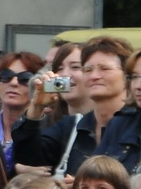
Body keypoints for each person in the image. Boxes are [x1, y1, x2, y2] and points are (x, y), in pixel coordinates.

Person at [13, 36, 141, 178]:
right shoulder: (72, 125)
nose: (94, 76)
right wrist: (36, 108)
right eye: (87, 69)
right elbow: (29, 159)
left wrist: (83, 186)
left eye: (104, 68)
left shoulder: (134, 124)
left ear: (127, 75)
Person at [0, 51, 44, 172]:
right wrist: (15, 169)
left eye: (25, 78)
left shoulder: (49, 132)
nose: (14, 83)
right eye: (6, 76)